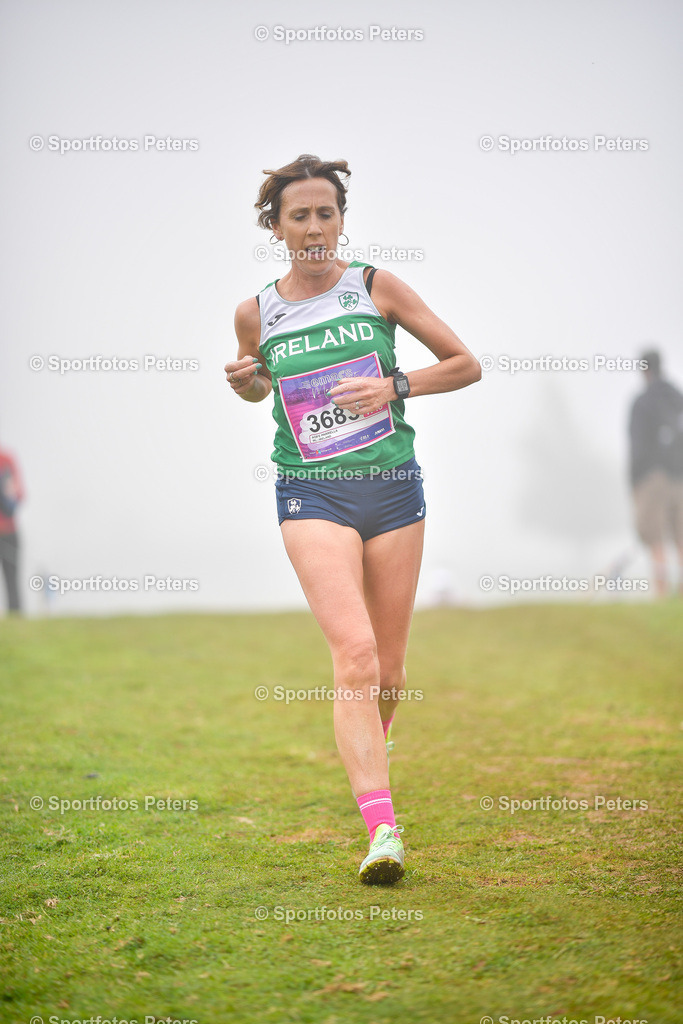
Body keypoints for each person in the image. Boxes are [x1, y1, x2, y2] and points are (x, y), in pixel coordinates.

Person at [225, 155, 481, 884]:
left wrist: (393, 384)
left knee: (391, 674)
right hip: (313, 491)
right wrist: (249, 382)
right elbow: (260, 387)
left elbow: (464, 363)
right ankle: (382, 832)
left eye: (325, 213)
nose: (313, 227)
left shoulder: (375, 287)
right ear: (274, 228)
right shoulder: (256, 311)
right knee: (357, 657)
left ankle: (367, 749)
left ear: (340, 220)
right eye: (298, 215)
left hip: (393, 489)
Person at [629, 349, 683, 596]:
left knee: (656, 538)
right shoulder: (677, 398)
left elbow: (637, 446)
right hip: (679, 475)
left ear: (644, 369)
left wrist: (635, 482)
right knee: (680, 535)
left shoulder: (643, 403)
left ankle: (661, 592)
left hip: (652, 479)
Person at [0, 440, 24, 614]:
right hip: (8, 531)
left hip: (8, 532)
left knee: (12, 583)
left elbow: (19, 494)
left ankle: (16, 620)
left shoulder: (6, 459)